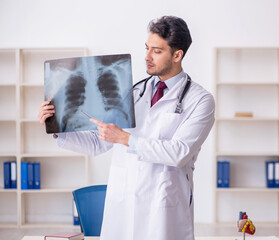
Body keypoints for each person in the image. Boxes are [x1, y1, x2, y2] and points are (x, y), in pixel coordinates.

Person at [38, 16, 215, 240]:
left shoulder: (200, 100)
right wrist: (56, 128)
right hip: (124, 204)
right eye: (146, 48)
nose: (147, 57)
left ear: (177, 55)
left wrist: (125, 139)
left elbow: (178, 152)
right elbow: (97, 143)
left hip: (163, 209)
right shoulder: (132, 92)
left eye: (157, 51)